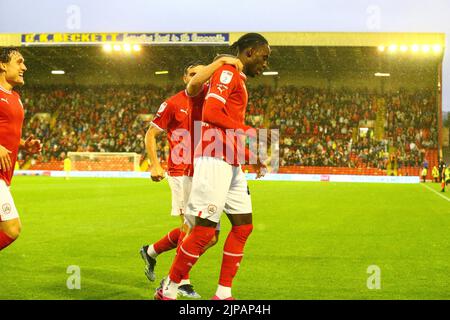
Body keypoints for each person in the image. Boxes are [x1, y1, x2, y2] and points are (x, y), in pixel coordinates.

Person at [156, 33, 271, 300]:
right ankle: (169, 289)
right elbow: (211, 114)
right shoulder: (228, 72)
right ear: (250, 52)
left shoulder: (237, 77)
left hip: (230, 161)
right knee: (204, 231)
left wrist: (251, 156)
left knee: (243, 227)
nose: (265, 64)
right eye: (264, 58)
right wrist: (247, 130)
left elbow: (225, 125)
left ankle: (223, 294)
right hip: (213, 158)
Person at [140, 57, 243, 298]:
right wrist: (155, 165)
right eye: (194, 74)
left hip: (207, 169)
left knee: (211, 236)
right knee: (190, 229)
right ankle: (179, 281)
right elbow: (150, 134)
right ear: (185, 78)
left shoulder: (212, 100)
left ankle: (152, 251)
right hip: (182, 171)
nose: (200, 76)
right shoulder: (173, 103)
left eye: (204, 72)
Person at [0, 47, 42, 251]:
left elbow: (6, 132)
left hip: (5, 175)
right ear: (2, 64)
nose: (24, 67)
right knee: (11, 229)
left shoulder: (15, 97)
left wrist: (25, 144)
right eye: (19, 62)